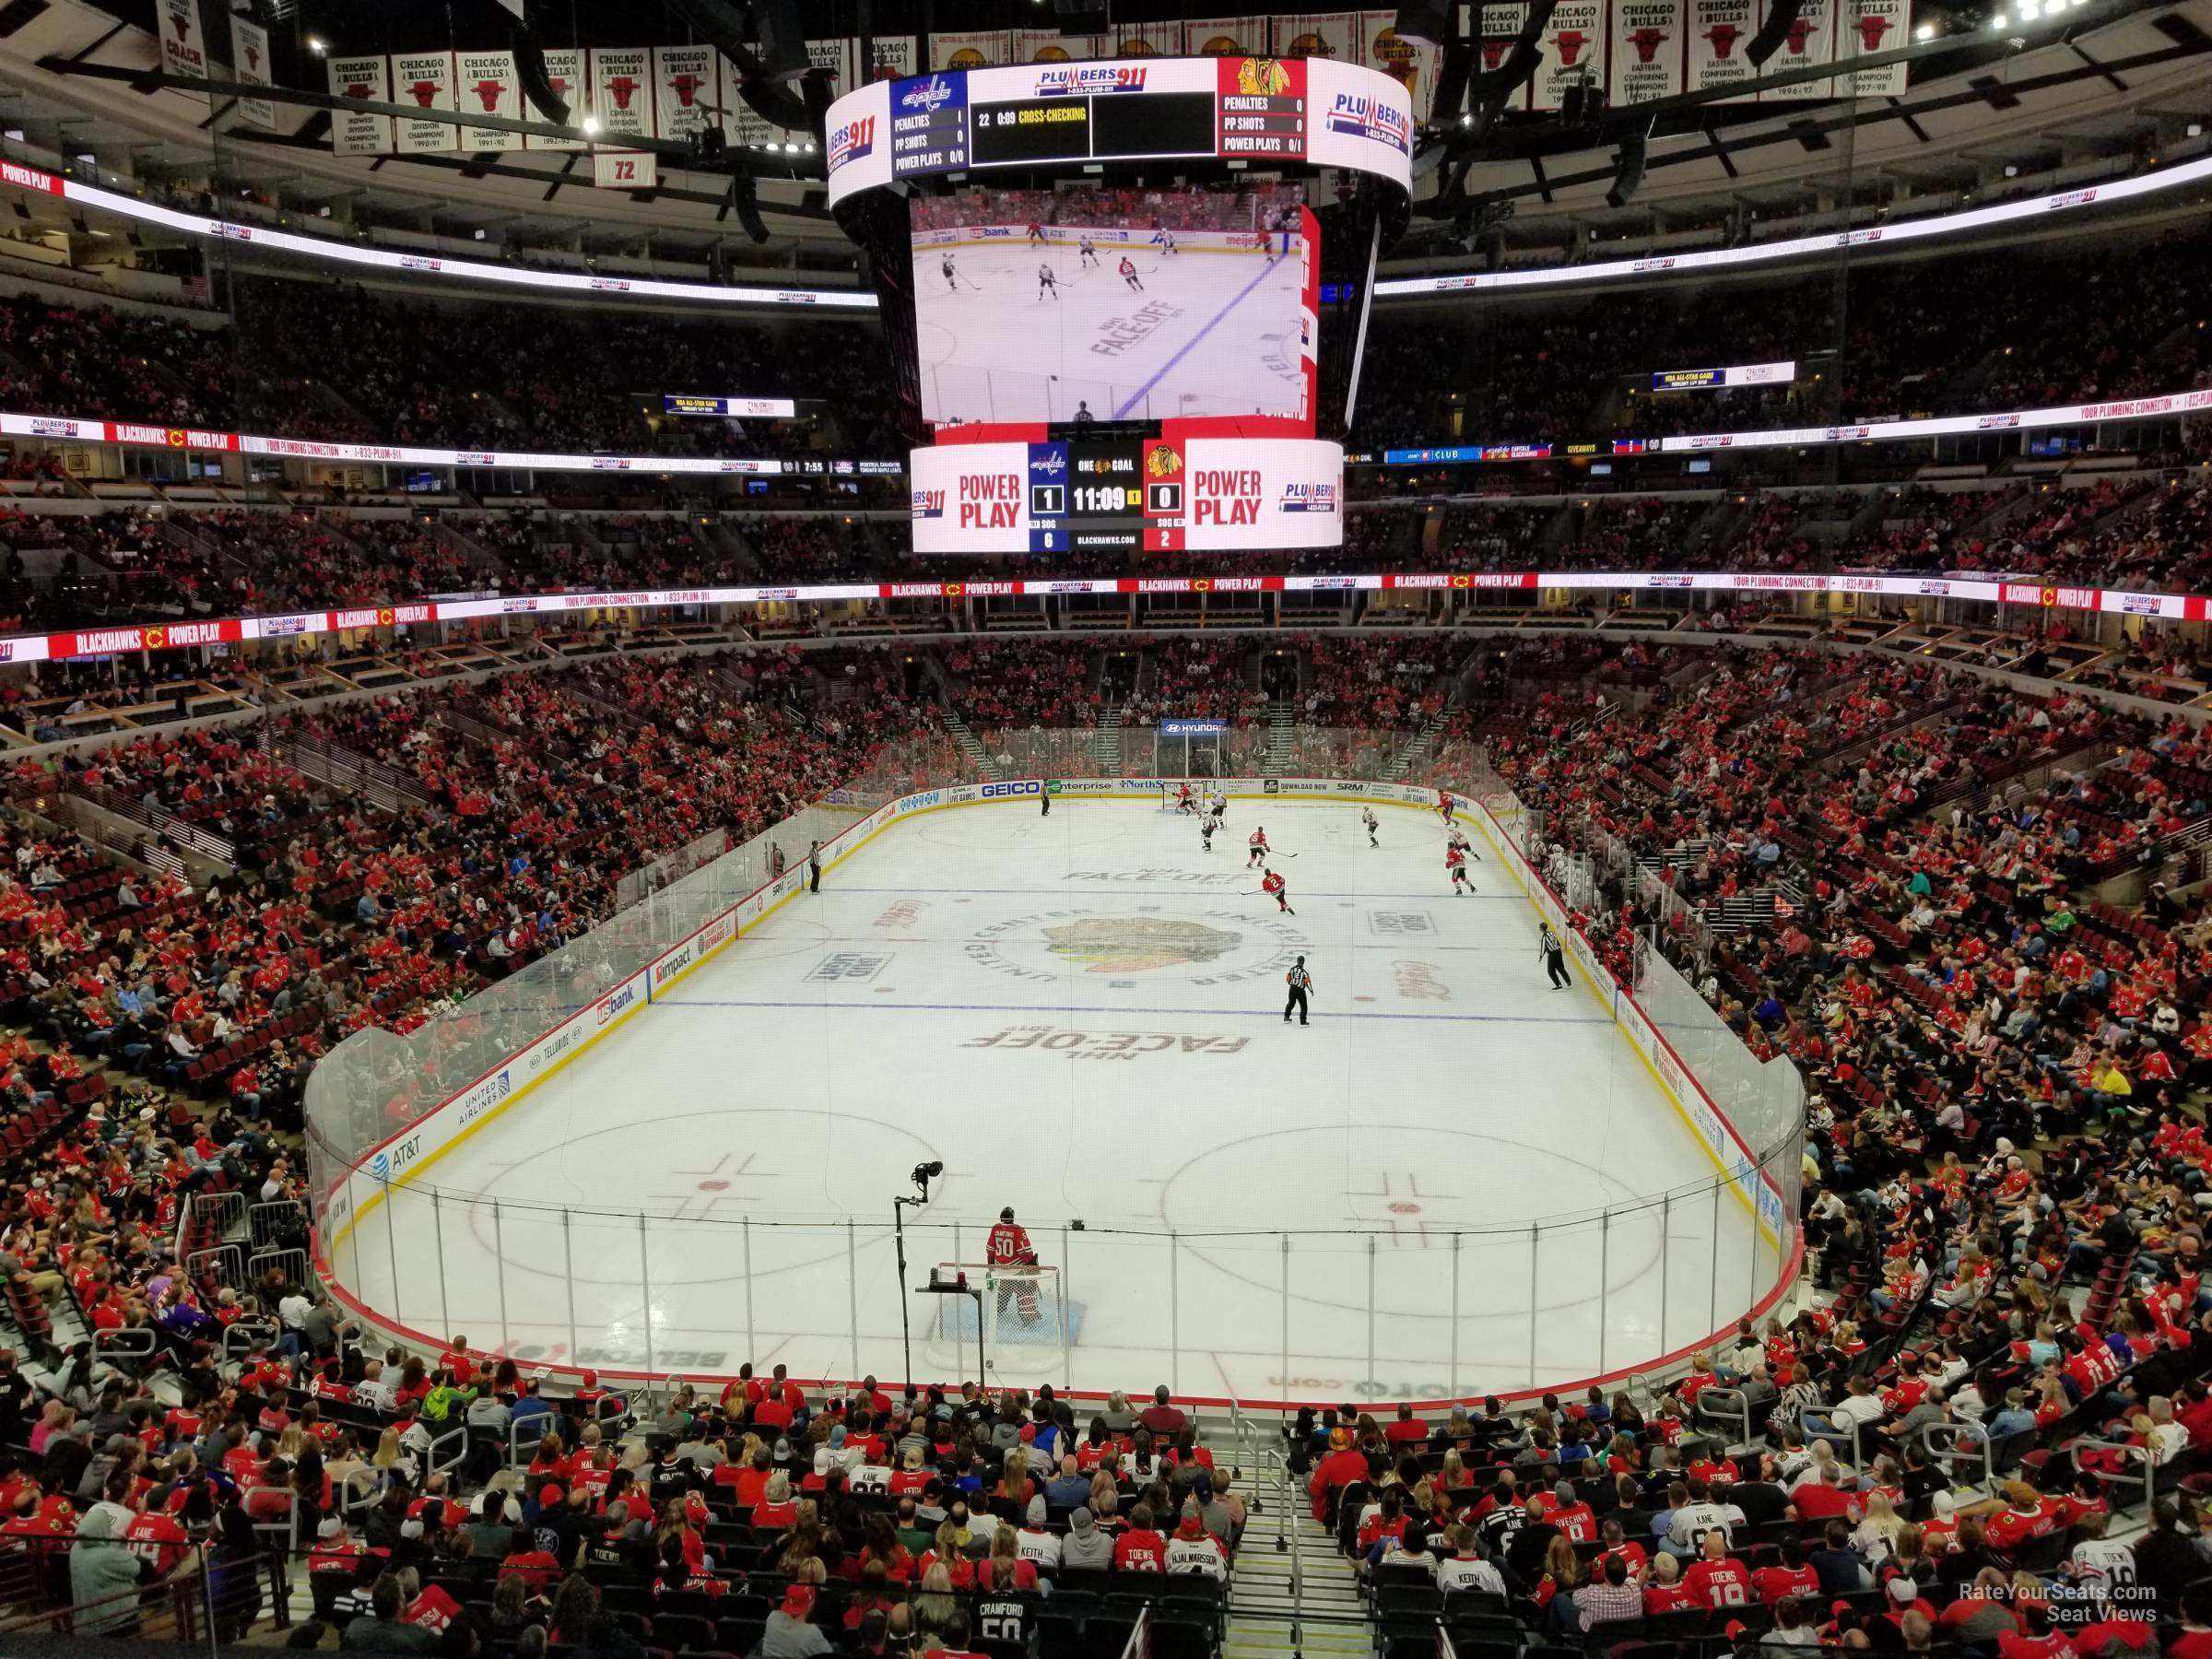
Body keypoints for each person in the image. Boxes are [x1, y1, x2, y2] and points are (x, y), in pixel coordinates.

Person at [986, 1208, 1041, 1330]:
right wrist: (1031, 1266)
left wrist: (991, 1264)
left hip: (1000, 1269)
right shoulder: (1018, 1229)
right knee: (1026, 1290)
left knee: (1002, 1290)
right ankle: (1029, 1319)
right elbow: (1024, 1251)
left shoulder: (995, 1228)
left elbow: (990, 1249)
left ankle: (997, 1312)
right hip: (1016, 1270)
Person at [1539, 922, 1570, 990]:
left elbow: (1543, 947)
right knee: (1561, 968)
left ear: (1542, 929)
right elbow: (1557, 942)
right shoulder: (1552, 933)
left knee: (1551, 971)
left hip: (1552, 954)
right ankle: (1568, 981)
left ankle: (1558, 984)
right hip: (1558, 952)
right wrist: (1558, 948)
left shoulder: (1544, 936)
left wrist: (1541, 956)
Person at [1284, 957, 1312, 1027]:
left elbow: (1288, 978)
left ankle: (1286, 1017)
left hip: (1292, 989)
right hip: (1300, 990)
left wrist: (1292, 984)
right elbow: (1308, 982)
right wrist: (1311, 990)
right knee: (1304, 1006)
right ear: (1303, 962)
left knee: (1291, 1003)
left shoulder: (1292, 969)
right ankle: (1303, 1022)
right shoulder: (1304, 972)